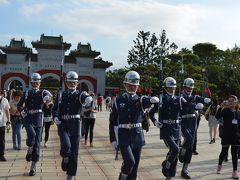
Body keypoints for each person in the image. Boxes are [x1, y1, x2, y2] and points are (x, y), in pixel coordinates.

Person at [149, 77, 203, 180]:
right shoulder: (161, 99)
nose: (172, 90)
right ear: (165, 88)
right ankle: (166, 165)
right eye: (170, 88)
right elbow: (151, 113)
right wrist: (155, 121)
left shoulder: (178, 98)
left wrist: (196, 107)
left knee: (175, 153)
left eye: (173, 88)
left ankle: (169, 176)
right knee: (174, 150)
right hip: (165, 129)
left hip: (176, 129)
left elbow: (188, 104)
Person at [109, 71, 159, 180]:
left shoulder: (140, 99)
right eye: (131, 85)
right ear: (125, 84)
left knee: (135, 167)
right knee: (129, 162)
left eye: (135, 85)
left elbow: (145, 101)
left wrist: (150, 100)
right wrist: (112, 138)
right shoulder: (118, 100)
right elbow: (112, 121)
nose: (133, 87)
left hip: (137, 135)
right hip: (123, 135)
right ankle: (123, 175)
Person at [52, 71, 93, 180]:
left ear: (77, 83)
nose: (72, 84)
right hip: (63, 124)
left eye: (74, 82)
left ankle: (69, 176)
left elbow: (86, 100)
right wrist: (55, 117)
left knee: (74, 151)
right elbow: (54, 108)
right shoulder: (61, 94)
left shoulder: (80, 94)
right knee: (66, 146)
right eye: (69, 82)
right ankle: (65, 156)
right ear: (66, 82)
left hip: (75, 124)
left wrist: (89, 100)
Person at [17, 73, 52, 176]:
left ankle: (33, 167)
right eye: (34, 82)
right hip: (28, 118)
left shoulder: (42, 92)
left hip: (38, 119)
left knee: (37, 143)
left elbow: (48, 97)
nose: (35, 83)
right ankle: (29, 148)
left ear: (40, 83)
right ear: (31, 83)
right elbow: (19, 105)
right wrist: (24, 114)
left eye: (37, 82)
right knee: (31, 135)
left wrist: (48, 101)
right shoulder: (27, 93)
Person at [178, 78, 211, 179]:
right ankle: (182, 150)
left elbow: (199, 98)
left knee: (191, 146)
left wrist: (206, 100)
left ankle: (185, 170)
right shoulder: (180, 97)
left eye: (191, 87)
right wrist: (196, 106)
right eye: (188, 87)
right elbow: (186, 103)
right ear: (184, 87)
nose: (190, 89)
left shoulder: (194, 96)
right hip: (183, 121)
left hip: (193, 122)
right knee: (189, 139)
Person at [216, 95, 240, 179]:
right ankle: (219, 166)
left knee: (234, 154)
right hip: (226, 135)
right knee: (223, 152)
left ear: (236, 102)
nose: (230, 102)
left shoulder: (238, 112)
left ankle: (235, 172)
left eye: (232, 100)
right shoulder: (225, 110)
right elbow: (217, 116)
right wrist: (220, 107)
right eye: (229, 101)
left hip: (236, 137)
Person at [0, 90, 11, 161]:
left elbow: (7, 111)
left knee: (2, 140)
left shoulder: (5, 100)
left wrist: (9, 121)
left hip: (2, 122)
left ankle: (1, 155)